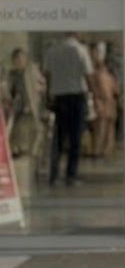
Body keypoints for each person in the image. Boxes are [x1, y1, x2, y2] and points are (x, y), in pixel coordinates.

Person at [44, 32, 94, 186]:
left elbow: (47, 75)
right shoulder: (80, 49)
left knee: (58, 139)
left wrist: (48, 96)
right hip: (76, 97)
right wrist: (92, 94)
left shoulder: (52, 50)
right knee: (75, 139)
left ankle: (54, 174)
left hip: (59, 98)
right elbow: (88, 74)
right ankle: (70, 175)